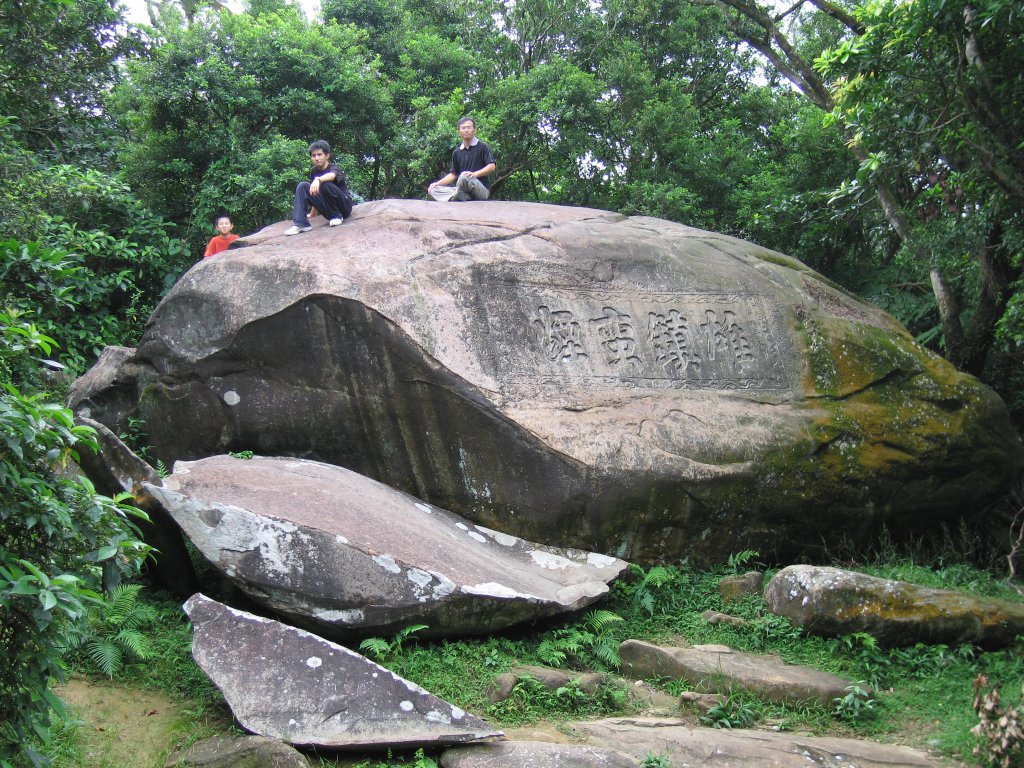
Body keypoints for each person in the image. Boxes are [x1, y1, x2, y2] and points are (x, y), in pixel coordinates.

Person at [285, 140, 354, 235]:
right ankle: (301, 224)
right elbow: (314, 191)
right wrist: (313, 213)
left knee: (325, 185)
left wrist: (318, 179)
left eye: (319, 155)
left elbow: (332, 176)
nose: (316, 158)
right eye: (313, 156)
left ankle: (336, 216)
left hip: (344, 207)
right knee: (303, 186)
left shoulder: (334, 168)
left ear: (327, 156)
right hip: (328, 209)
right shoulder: (314, 171)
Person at [428, 117, 496, 201]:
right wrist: (437, 184)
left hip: (481, 191)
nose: (466, 130)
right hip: (463, 190)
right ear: (459, 132)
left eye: (469, 127)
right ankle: (461, 196)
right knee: (434, 190)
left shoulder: (482, 146)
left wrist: (474, 174)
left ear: (474, 130)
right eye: (463, 128)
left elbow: (492, 166)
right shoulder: (457, 152)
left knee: (464, 177)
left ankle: (457, 196)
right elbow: (454, 174)